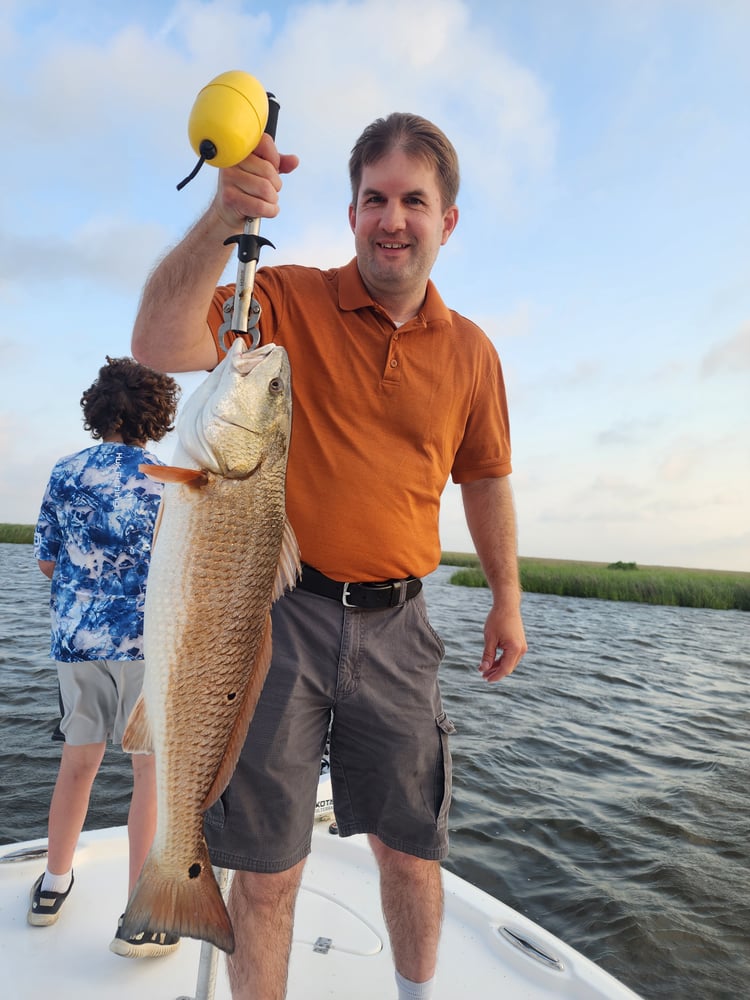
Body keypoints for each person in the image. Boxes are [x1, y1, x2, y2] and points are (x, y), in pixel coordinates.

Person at [132, 111, 527, 998]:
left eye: (413, 201)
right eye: (374, 199)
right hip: (275, 622)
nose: (393, 219)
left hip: (402, 628)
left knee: (413, 854)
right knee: (267, 876)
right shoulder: (284, 300)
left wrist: (506, 595)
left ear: (447, 220)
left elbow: (487, 477)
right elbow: (159, 344)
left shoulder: (474, 353)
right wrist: (224, 216)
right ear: (350, 213)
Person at [30, 356, 181, 959]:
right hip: (148, 645)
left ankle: (52, 886)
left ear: (98, 411)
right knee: (148, 776)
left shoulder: (66, 472)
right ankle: (140, 917)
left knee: (77, 765)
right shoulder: (173, 478)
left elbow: (46, 559)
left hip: (76, 642)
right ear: (158, 414)